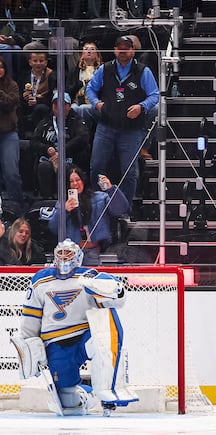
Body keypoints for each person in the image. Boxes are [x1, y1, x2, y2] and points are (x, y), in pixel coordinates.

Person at [11, 238, 137, 416]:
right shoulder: (41, 279)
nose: (64, 258)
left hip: (85, 335)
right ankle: (87, 395)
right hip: (55, 341)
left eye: (68, 254)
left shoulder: (89, 276)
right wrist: (28, 342)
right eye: (61, 254)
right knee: (69, 404)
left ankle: (109, 389)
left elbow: (116, 300)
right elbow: (31, 316)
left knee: (104, 338)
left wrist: (111, 288)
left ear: (78, 257)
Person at [86, 35, 158, 203]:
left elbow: (154, 95)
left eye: (127, 48)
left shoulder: (143, 71)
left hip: (131, 129)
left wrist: (141, 106)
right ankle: (98, 205)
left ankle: (125, 208)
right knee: (96, 167)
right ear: (114, 50)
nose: (123, 51)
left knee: (129, 172)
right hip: (106, 126)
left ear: (133, 51)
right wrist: (96, 103)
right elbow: (90, 89)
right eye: (120, 48)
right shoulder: (105, 69)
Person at [47, 166, 129, 266]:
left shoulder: (99, 198)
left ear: (83, 181)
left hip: (93, 251)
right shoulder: (63, 203)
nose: (75, 184)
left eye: (77, 180)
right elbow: (53, 227)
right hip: (70, 254)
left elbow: (120, 209)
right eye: (71, 181)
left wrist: (111, 189)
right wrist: (64, 211)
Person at [31, 91, 91, 199]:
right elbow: (34, 141)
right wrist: (47, 149)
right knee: (44, 167)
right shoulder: (46, 121)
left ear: (69, 106)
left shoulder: (76, 120)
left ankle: (65, 199)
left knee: (64, 169)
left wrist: (62, 151)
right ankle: (47, 199)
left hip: (70, 158)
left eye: (62, 104)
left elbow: (83, 138)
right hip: (50, 158)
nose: (58, 107)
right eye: (55, 104)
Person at [17, 47, 56, 139]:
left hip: (43, 105)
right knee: (17, 106)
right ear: (30, 62)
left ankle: (39, 136)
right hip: (26, 105)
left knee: (40, 108)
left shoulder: (52, 75)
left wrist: (37, 100)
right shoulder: (23, 75)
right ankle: (21, 135)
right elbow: (17, 93)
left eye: (41, 61)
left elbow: (53, 96)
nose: (38, 63)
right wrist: (23, 96)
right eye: (35, 61)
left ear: (46, 62)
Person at [0, 56, 22, 203]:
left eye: (1, 67)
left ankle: (18, 207)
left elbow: (11, 103)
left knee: (11, 173)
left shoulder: (12, 85)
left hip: (8, 133)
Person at [67, 41, 103, 109]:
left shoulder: (102, 70)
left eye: (92, 49)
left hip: (96, 102)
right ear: (82, 54)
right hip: (78, 101)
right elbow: (69, 90)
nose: (89, 51)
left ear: (97, 54)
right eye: (86, 49)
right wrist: (79, 85)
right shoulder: (75, 71)